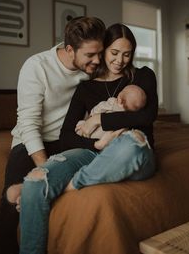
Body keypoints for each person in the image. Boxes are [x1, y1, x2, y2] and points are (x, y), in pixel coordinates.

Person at [17, 23, 158, 254]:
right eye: (114, 53)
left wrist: (99, 120)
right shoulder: (86, 88)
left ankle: (73, 184)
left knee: (132, 145)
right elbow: (66, 137)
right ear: (103, 50)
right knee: (35, 183)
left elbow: (147, 117)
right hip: (93, 151)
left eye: (127, 54)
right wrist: (96, 144)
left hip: (129, 147)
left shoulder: (142, 75)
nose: (120, 60)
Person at [0, 16, 106, 254]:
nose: (97, 60)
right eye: (90, 55)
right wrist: (44, 169)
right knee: (10, 198)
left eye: (100, 53)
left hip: (68, 141)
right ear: (69, 49)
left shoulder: (92, 69)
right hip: (31, 142)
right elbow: (28, 123)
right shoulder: (37, 67)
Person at [76, 84, 147, 149]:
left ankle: (80, 132)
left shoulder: (112, 102)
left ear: (120, 99)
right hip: (106, 141)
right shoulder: (127, 120)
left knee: (81, 125)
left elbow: (99, 108)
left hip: (92, 134)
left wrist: (93, 115)